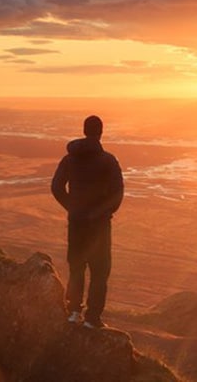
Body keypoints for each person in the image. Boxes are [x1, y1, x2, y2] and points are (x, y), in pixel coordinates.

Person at [51, 115, 124, 329]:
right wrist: (104, 213)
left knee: (76, 267)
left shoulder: (69, 159)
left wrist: (73, 208)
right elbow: (118, 194)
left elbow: (56, 187)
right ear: (101, 132)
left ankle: (74, 312)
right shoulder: (108, 160)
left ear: (84, 131)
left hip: (76, 224)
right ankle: (92, 319)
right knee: (100, 272)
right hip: (100, 226)